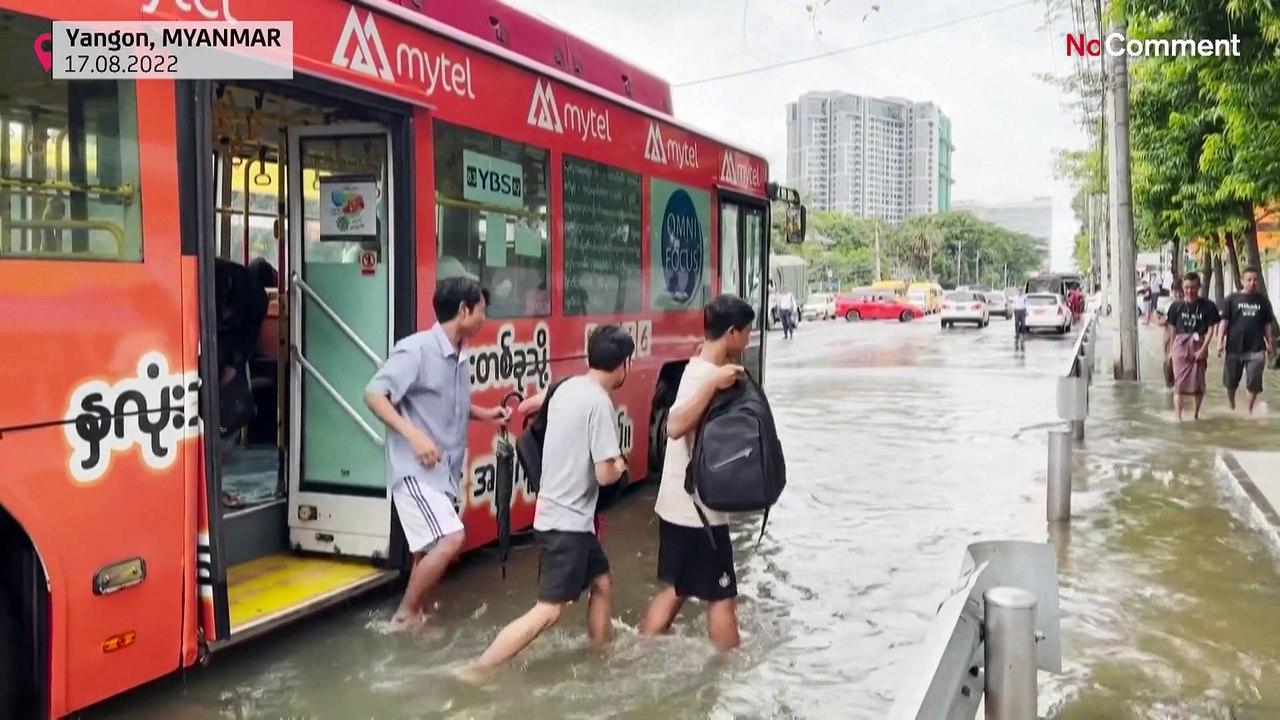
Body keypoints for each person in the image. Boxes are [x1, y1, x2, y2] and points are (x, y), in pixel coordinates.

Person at [462, 325, 633, 675]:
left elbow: (533, 405)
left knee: (601, 582)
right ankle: (479, 669)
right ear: (624, 365)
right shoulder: (599, 403)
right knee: (549, 610)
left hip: (560, 516)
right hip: (568, 524)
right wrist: (620, 464)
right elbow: (605, 475)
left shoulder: (566, 387)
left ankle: (601, 651)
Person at [363, 277, 510, 631]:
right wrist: (414, 436)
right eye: (482, 311)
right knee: (451, 538)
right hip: (416, 471)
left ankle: (419, 620)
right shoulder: (416, 350)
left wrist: (485, 414)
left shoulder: (460, 353)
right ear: (463, 310)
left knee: (428, 550)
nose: (485, 318)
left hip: (445, 472)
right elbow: (373, 394)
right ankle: (404, 615)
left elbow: (449, 402)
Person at [640, 294, 753, 652]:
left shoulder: (699, 369)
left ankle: (644, 649)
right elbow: (674, 426)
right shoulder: (706, 375)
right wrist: (714, 384)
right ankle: (732, 667)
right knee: (723, 597)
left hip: (681, 505)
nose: (749, 338)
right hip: (698, 511)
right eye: (747, 331)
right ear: (732, 333)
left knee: (678, 587)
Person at [1218, 266, 1275, 413]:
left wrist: (1269, 342)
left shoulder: (1263, 302)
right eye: (1249, 280)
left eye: (1255, 280)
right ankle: (1231, 405)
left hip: (1257, 348)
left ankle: (1248, 410)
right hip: (1234, 347)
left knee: (1254, 382)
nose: (1252, 283)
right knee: (1230, 381)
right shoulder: (1231, 299)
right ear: (1242, 281)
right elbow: (1224, 322)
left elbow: (1267, 324)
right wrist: (1219, 342)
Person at [1164, 272, 1220, 421]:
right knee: (1179, 383)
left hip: (1199, 342)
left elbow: (1211, 330)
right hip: (1180, 343)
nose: (1190, 291)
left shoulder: (1208, 306)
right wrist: (1171, 350)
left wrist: (1203, 349)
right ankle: (1178, 416)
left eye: (1193, 287)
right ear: (1183, 287)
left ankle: (1196, 415)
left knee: (1198, 382)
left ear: (1199, 286)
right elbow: (1172, 329)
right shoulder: (1176, 306)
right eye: (1187, 287)